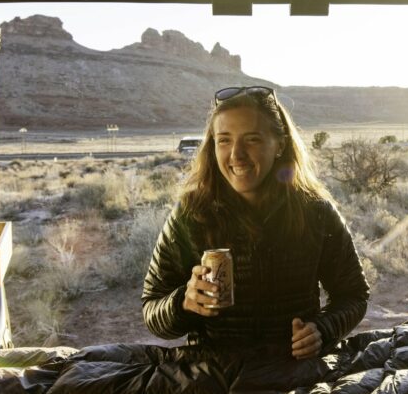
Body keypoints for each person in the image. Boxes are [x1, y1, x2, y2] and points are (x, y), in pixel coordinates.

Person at [141, 85, 369, 358]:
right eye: (224, 140)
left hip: (293, 376)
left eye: (252, 139)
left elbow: (354, 295)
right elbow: (152, 309)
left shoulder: (316, 213)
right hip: (215, 377)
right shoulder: (191, 215)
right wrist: (183, 303)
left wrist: (322, 329)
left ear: (280, 145)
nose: (236, 154)